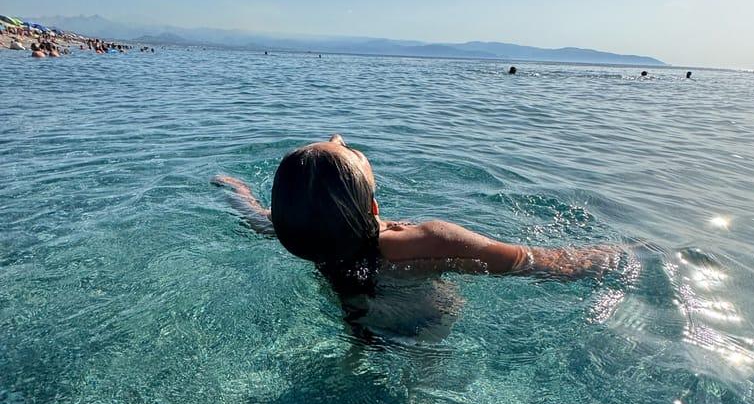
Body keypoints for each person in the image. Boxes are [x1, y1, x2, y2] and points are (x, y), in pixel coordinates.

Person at [212, 135, 618, 301]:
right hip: (421, 338)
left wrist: (236, 190)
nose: (338, 138)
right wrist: (618, 256)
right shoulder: (429, 240)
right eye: (346, 150)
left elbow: (257, 217)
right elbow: (531, 263)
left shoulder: (308, 235)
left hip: (357, 326)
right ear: (372, 205)